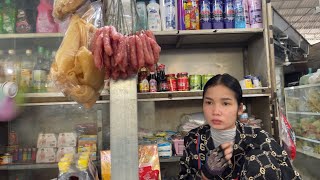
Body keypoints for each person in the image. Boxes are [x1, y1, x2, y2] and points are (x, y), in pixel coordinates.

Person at [179, 74, 301, 180]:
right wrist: (205, 174)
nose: (216, 111)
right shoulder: (194, 138)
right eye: (209, 102)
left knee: (260, 160)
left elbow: (289, 174)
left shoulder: (258, 138)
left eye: (225, 103)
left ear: (240, 109)